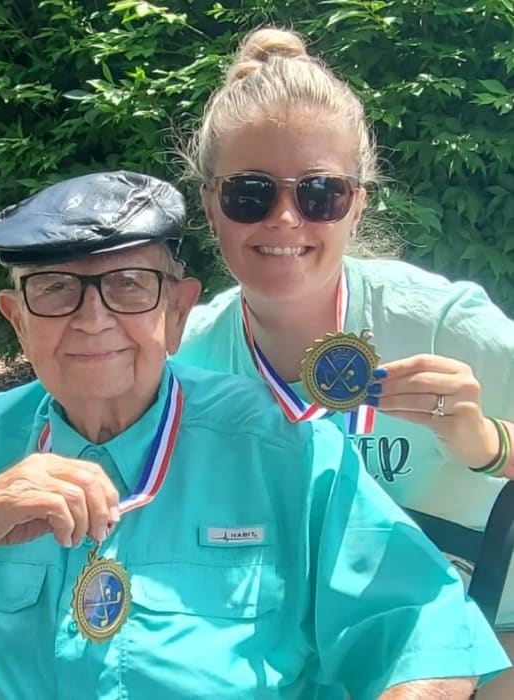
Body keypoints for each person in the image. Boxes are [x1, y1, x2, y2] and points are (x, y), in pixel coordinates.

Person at [0, 171, 509, 700]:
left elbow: (431, 636)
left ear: (177, 312)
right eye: (55, 290)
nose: (92, 320)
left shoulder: (284, 449)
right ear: (16, 318)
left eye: (129, 285)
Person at [174, 26, 514, 699]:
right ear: (212, 206)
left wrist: (483, 442)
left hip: (479, 640)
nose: (285, 220)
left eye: (319, 193)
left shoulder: (442, 324)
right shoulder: (191, 360)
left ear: (356, 204)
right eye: (251, 194)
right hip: (283, 652)